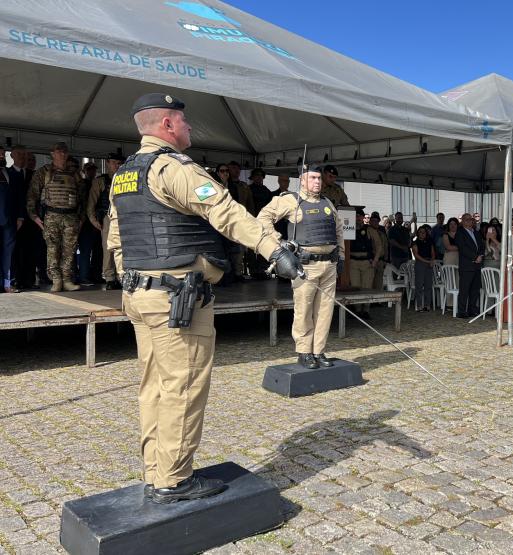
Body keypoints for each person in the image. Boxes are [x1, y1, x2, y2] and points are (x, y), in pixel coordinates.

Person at [108, 93, 300, 504]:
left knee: (154, 386)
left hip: (141, 295)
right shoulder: (174, 168)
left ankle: (155, 470)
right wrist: (275, 250)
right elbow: (226, 212)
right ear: (167, 125)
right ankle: (174, 480)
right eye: (185, 122)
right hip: (178, 299)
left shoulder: (124, 174)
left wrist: (133, 280)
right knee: (184, 385)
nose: (190, 128)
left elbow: (117, 238)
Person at [257, 165, 344, 369]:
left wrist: (341, 256)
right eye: (312, 178)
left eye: (319, 178)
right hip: (306, 266)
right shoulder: (290, 200)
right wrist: (279, 243)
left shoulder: (327, 202)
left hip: (329, 264)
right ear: (302, 180)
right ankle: (304, 351)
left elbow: (338, 229)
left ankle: (319, 350)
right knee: (304, 310)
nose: (317, 182)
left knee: (325, 311)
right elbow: (263, 218)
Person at [27, 142, 83, 292]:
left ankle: (66, 279)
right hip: (51, 216)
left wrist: (81, 218)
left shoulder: (75, 174)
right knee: (52, 249)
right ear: (52, 154)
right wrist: (35, 217)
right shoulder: (43, 172)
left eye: (64, 152)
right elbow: (32, 196)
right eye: (59, 152)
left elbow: (83, 197)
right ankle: (56, 280)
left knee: (69, 250)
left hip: (71, 217)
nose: (62, 154)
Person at [86, 153, 126, 289]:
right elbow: (91, 203)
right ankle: (109, 278)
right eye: (114, 162)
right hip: (108, 218)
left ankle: (122, 277)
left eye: (119, 163)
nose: (117, 165)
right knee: (109, 249)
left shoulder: (126, 179)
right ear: (108, 163)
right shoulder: (100, 181)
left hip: (125, 217)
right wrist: (93, 220)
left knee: (124, 249)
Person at [9, 145, 40, 290]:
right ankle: (16, 279)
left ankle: (30, 280)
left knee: (31, 250)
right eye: (19, 154)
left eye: (24, 154)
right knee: (15, 251)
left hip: (32, 220)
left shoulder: (33, 174)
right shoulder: (6, 173)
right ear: (12, 156)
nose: (23, 157)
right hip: (14, 220)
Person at [348, 207, 381, 318]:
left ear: (363, 217)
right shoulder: (348, 228)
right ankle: (357, 311)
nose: (357, 218)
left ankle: (366, 310)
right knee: (355, 286)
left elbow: (379, 246)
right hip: (353, 262)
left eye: (359, 216)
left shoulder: (370, 230)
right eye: (355, 216)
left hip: (367, 262)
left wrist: (375, 260)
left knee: (367, 287)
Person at [0, 153, 24, 293]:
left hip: (9, 220)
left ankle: (8, 284)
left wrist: (20, 217)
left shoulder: (12, 174)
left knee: (9, 252)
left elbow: (19, 196)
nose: (2, 157)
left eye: (3, 154)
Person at [454, 212, 483, 318]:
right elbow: (462, 248)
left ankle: (472, 310)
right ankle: (461, 311)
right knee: (464, 289)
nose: (469, 221)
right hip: (467, 265)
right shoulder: (460, 233)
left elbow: (480, 245)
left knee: (475, 289)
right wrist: (475, 257)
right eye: (466, 219)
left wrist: (480, 255)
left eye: (470, 219)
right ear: (462, 222)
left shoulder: (475, 232)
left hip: (477, 265)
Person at [411, 224, 436, 311]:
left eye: (424, 232)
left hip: (429, 263)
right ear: (418, 234)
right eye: (420, 232)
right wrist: (427, 262)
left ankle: (427, 305)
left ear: (426, 233)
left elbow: (433, 253)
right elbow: (416, 255)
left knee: (428, 285)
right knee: (419, 285)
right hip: (420, 263)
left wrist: (432, 260)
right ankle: (419, 305)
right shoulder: (415, 242)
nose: (422, 234)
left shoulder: (430, 242)